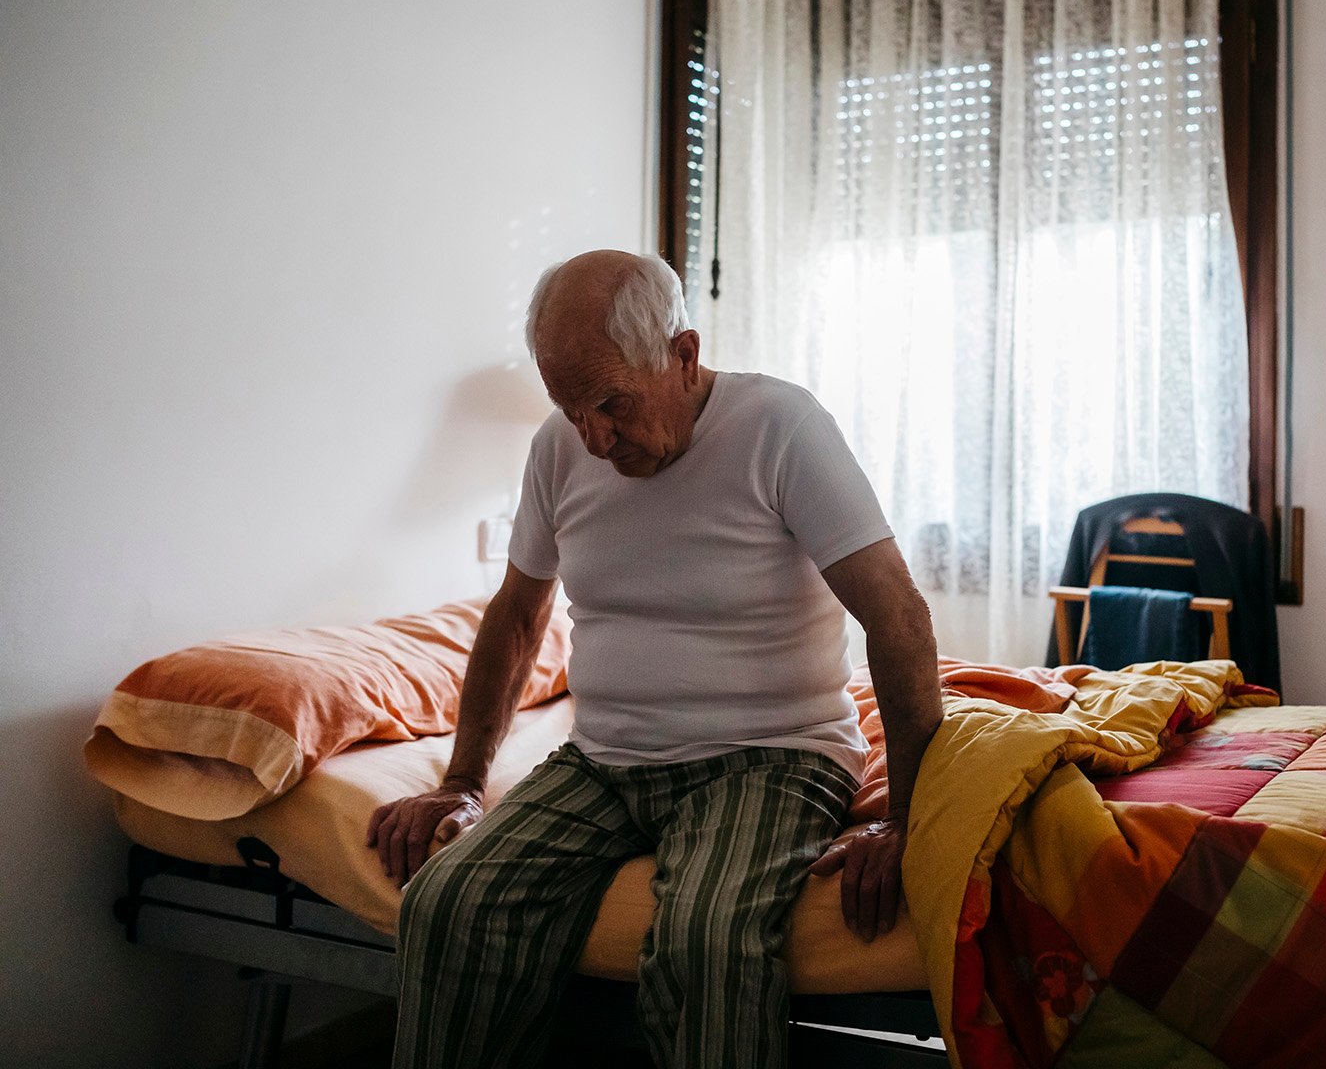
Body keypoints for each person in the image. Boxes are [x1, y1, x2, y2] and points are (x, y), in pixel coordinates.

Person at [367, 250, 943, 1069]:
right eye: (572, 411)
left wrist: (903, 818)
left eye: (611, 404)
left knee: (703, 941)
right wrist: (461, 781)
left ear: (683, 355)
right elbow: (517, 616)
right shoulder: (558, 451)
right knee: (449, 901)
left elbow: (898, 615)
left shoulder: (781, 427)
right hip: (602, 761)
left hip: (772, 757)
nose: (596, 439)